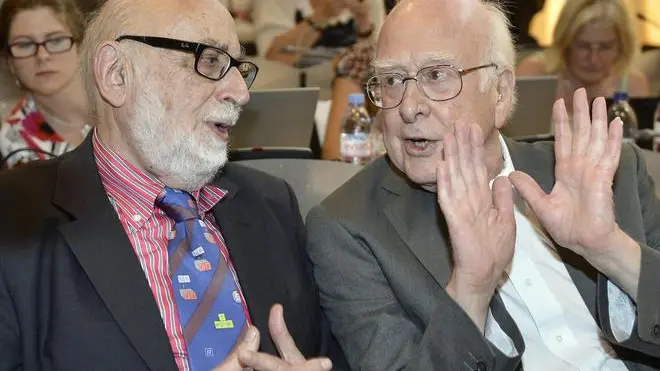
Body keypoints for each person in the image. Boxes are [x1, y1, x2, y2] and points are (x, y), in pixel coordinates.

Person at [306, 0, 660, 370]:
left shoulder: (604, 174)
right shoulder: (349, 226)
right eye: (392, 80)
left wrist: (609, 250)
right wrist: (470, 290)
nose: (408, 108)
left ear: (501, 93)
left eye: (436, 75)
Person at [0, 0, 345, 370]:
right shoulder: (14, 219)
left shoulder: (271, 204)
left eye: (238, 67)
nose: (240, 92)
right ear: (116, 73)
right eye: (210, 60)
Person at [0, 0, 89, 169]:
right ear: (9, 61)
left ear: (81, 45)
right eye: (24, 44)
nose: (42, 55)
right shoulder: (14, 140)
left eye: (55, 40)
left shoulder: (121, 97)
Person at [516, 0, 650, 112]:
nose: (593, 59)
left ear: (621, 46)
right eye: (583, 46)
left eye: (605, 47)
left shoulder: (633, 85)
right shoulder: (532, 75)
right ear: (565, 42)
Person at [253, 0, 385, 66]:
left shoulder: (370, 3)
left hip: (350, 95)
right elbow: (271, 60)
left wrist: (363, 22)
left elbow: (379, 62)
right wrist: (322, 15)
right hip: (295, 94)